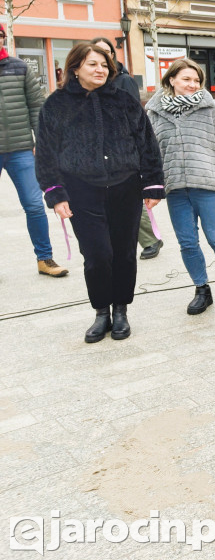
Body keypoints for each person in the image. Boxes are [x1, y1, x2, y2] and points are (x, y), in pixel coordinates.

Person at [35, 43, 164, 342]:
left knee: (123, 254)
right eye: (92, 64)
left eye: (104, 65)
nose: (100, 70)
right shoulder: (56, 105)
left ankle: (121, 311)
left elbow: (147, 143)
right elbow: (45, 154)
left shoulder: (125, 101)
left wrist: (152, 182)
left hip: (125, 188)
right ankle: (101, 312)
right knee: (96, 255)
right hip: (81, 191)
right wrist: (56, 194)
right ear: (75, 68)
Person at [146, 58, 215, 315]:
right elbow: (150, 153)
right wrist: (150, 187)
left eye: (196, 80)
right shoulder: (154, 112)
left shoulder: (213, 108)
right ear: (171, 80)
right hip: (175, 187)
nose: (192, 85)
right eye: (186, 79)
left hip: (208, 183)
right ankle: (202, 289)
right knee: (187, 242)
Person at [0, 24, 68, 278]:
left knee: (34, 205)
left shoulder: (19, 67)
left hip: (20, 150)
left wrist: (42, 141)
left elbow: (36, 107)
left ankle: (45, 259)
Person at [91, 36, 162, 261]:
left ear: (113, 55)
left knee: (127, 196)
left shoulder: (124, 81)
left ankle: (150, 239)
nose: (103, 57)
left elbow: (134, 116)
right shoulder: (92, 81)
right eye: (97, 52)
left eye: (107, 52)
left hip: (122, 147)